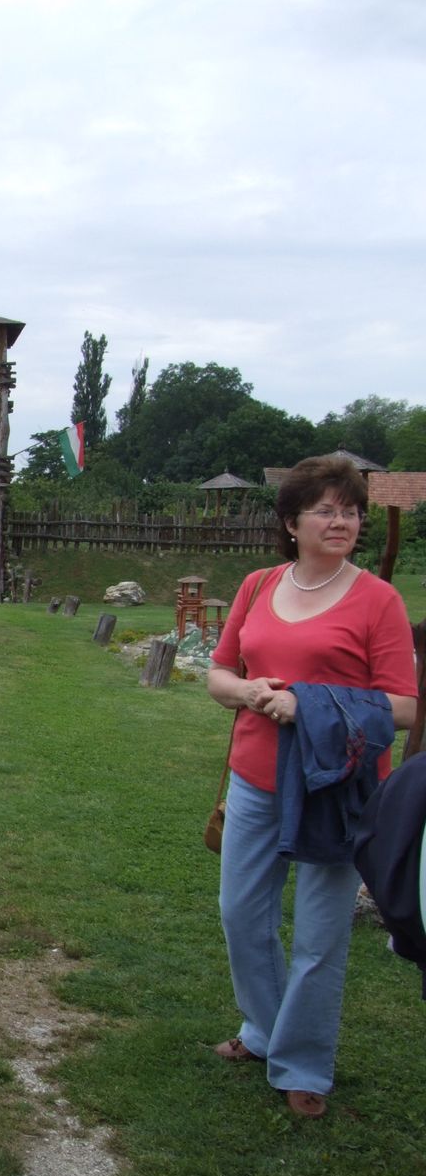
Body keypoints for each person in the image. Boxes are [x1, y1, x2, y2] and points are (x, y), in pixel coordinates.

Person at [206, 455, 417, 1118]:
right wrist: (249, 692)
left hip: (338, 788)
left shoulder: (378, 600)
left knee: (320, 936)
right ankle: (264, 1031)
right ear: (291, 522)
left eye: (350, 511)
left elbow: (405, 706)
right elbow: (219, 673)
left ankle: (303, 1064)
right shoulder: (258, 585)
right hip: (256, 779)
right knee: (242, 915)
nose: (342, 521)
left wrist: (310, 705)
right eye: (325, 510)